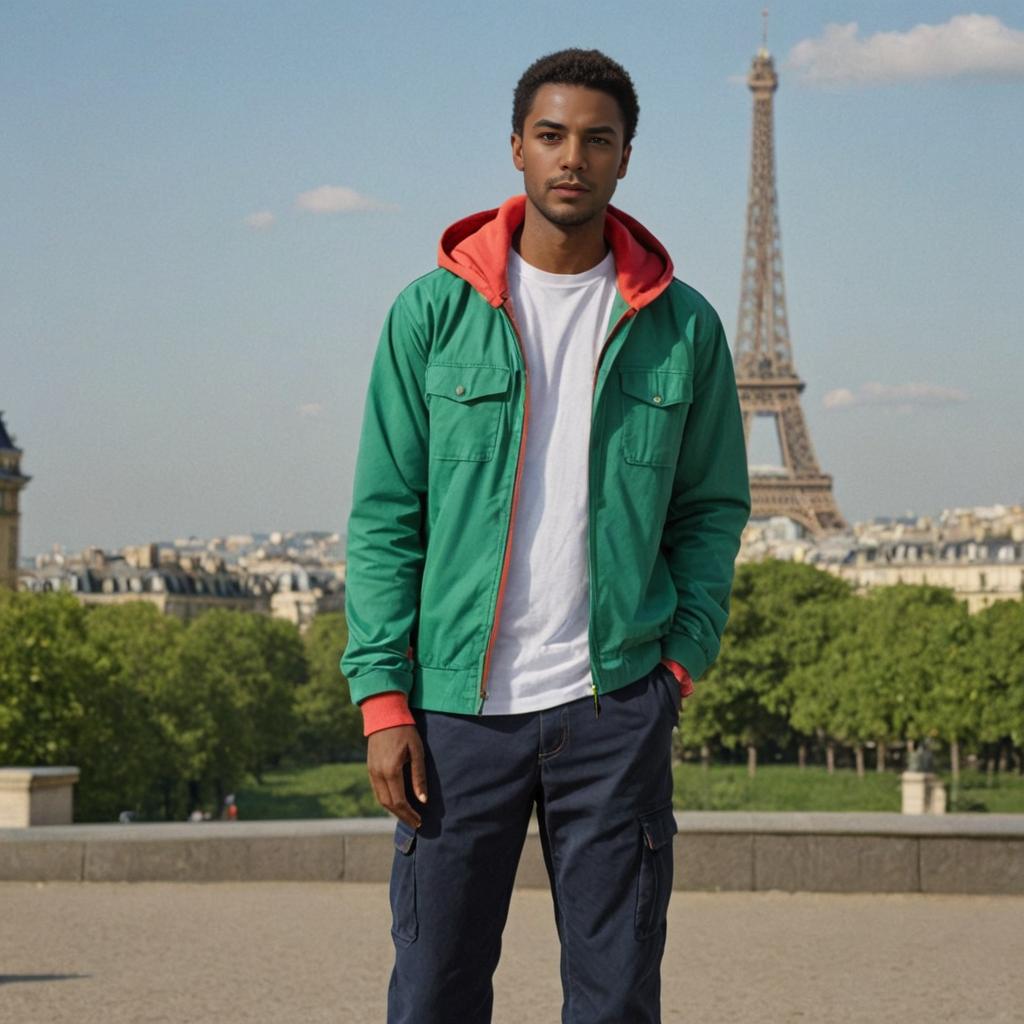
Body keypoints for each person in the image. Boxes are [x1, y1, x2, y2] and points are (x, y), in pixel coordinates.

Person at [342, 48, 750, 1024]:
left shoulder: (683, 328)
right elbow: (384, 514)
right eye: (553, 135)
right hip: (453, 712)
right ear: (517, 147)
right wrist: (382, 699)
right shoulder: (430, 314)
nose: (573, 157)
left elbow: (710, 509)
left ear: (624, 159)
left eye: (597, 140)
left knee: (614, 1001)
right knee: (434, 991)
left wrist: (679, 661)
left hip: (612, 708)